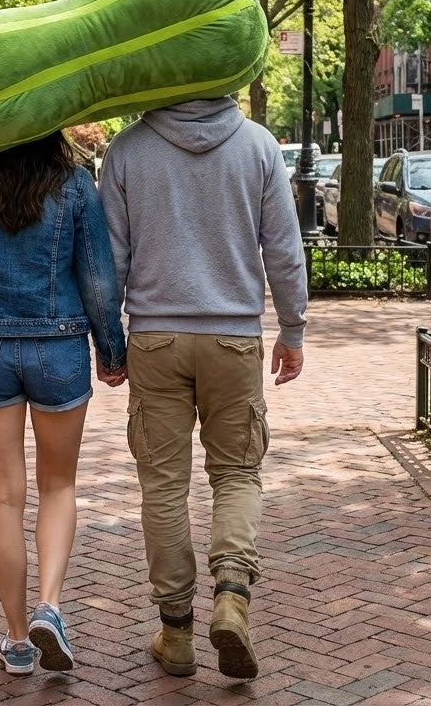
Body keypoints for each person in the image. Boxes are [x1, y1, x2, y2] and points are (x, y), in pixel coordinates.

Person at [99, 97, 307, 681]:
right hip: (234, 339)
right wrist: (291, 328)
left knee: (163, 483)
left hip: (155, 338)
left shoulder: (128, 149)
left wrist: (108, 340)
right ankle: (233, 596)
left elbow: (109, 258)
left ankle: (176, 633)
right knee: (238, 474)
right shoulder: (260, 147)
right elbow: (284, 251)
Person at [0, 131, 127, 675]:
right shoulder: (73, 185)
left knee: (3, 499)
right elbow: (97, 278)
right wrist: (112, 350)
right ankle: (50, 606)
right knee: (59, 485)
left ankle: (18, 640)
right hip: (59, 347)